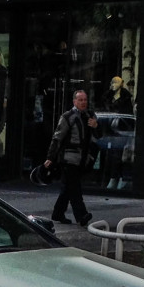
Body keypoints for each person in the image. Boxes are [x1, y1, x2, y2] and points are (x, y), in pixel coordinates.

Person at [44, 89, 97, 226]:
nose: (83, 102)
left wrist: (96, 126)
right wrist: (51, 156)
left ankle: (58, 213)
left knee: (67, 188)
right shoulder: (68, 117)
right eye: (80, 100)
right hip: (69, 159)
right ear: (74, 101)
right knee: (75, 188)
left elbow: (99, 135)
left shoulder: (90, 116)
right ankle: (82, 215)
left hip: (82, 159)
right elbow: (57, 138)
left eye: (85, 99)